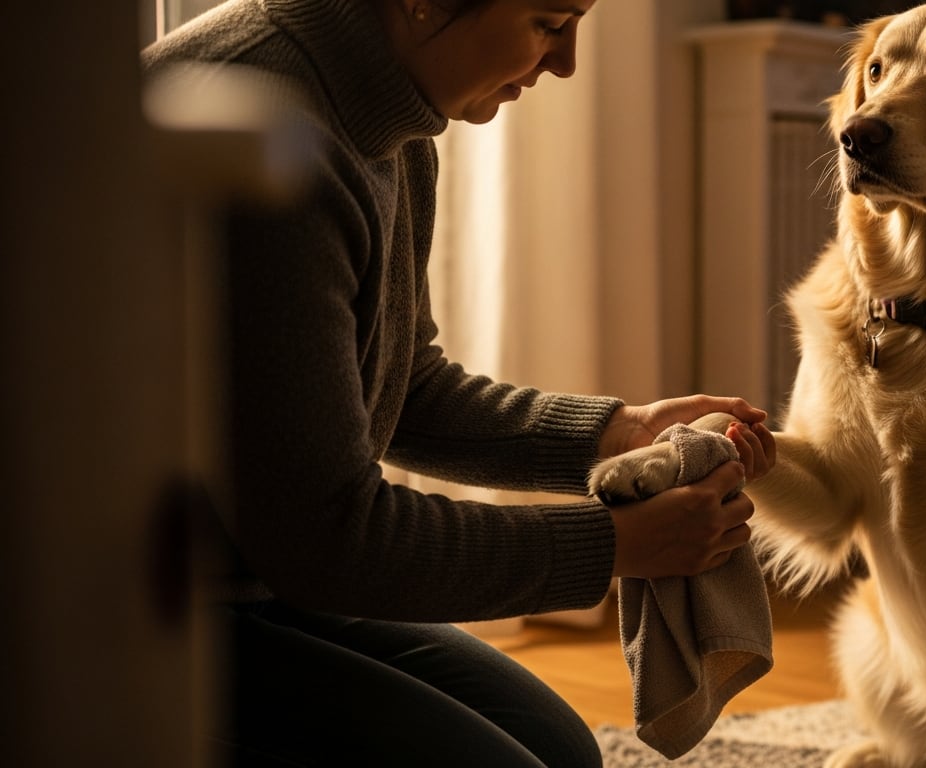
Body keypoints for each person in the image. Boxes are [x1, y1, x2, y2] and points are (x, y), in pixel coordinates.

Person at [143, 1, 776, 765]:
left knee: (562, 750)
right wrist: (614, 545)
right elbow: (328, 540)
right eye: (549, 22)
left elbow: (403, 385)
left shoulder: (393, 114)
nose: (566, 62)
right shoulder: (259, 129)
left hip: (252, 574)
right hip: (127, 611)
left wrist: (615, 433)